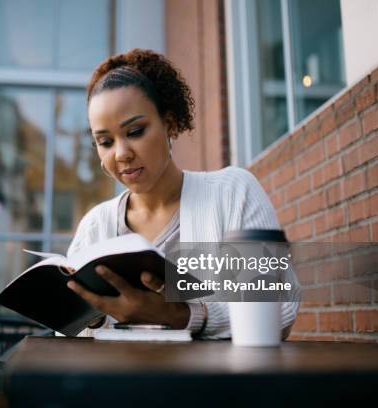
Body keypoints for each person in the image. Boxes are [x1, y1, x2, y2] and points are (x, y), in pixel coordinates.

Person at [65, 49, 299, 339]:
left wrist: (182, 315)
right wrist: (94, 318)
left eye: (135, 131)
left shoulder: (232, 194)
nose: (121, 154)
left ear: (170, 123)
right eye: (105, 141)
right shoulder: (95, 227)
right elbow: (69, 340)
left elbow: (277, 310)